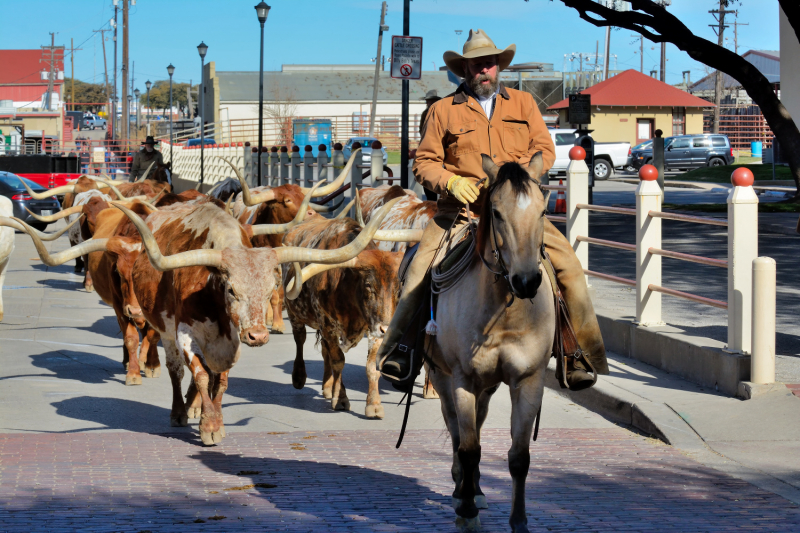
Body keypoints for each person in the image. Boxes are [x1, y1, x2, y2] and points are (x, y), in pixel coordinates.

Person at [378, 29, 608, 391]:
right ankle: (402, 350)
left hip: (516, 213)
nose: (484, 70)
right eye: (476, 65)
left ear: (498, 67)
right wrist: (451, 182)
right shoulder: (442, 111)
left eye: (489, 64)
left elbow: (544, 149)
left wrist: (526, 174)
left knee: (569, 266)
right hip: (461, 214)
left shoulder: (524, 104)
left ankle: (575, 352)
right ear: (464, 70)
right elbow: (424, 161)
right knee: (419, 268)